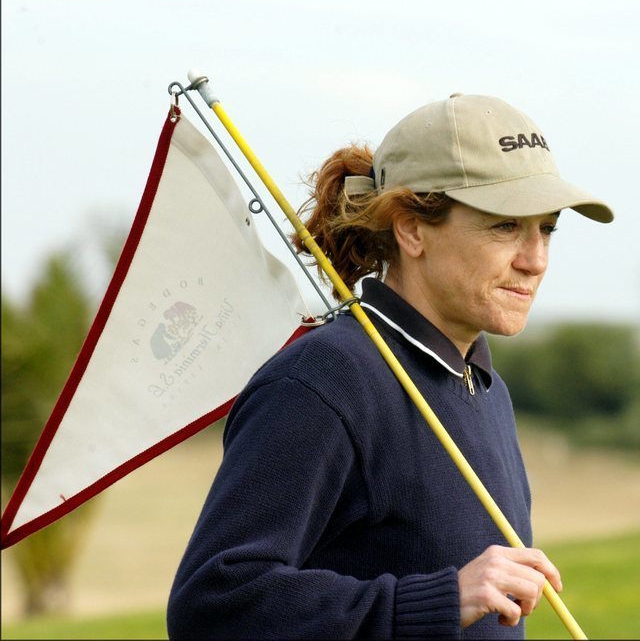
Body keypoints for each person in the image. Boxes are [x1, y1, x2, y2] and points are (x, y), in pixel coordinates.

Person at [167, 93, 614, 639]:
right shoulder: (322, 380)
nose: (535, 258)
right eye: (504, 226)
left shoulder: (484, 386)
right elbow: (213, 603)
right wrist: (440, 600)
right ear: (411, 228)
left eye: (547, 228)